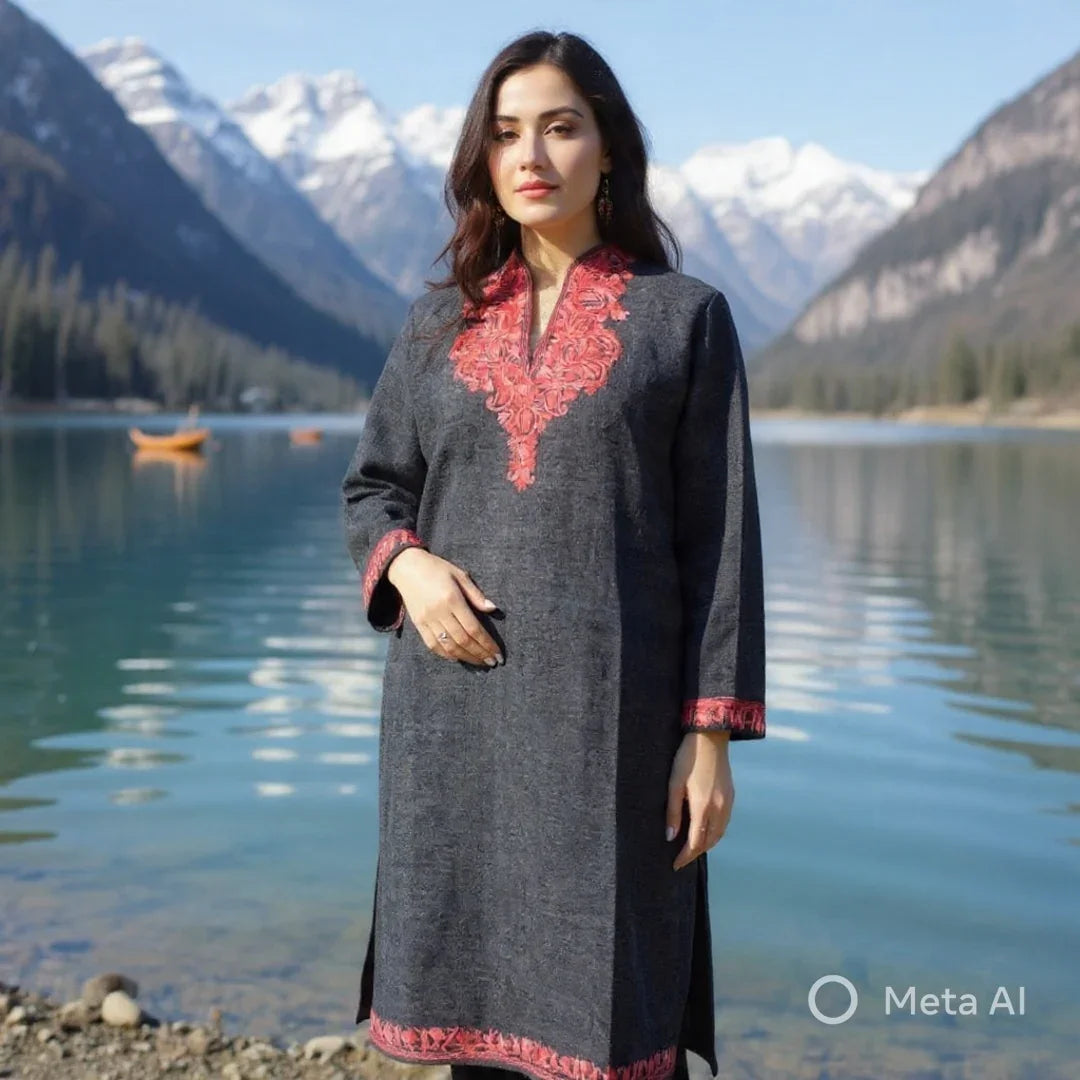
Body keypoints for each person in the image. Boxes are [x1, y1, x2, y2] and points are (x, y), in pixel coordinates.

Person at [341, 29, 767, 1080]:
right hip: (454, 725)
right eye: (506, 134)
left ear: (608, 148)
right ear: (482, 160)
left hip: (610, 734)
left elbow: (721, 539)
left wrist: (709, 736)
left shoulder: (684, 321)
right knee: (473, 1023)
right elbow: (373, 485)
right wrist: (408, 565)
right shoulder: (436, 324)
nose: (531, 156)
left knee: (614, 1025)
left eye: (560, 127)